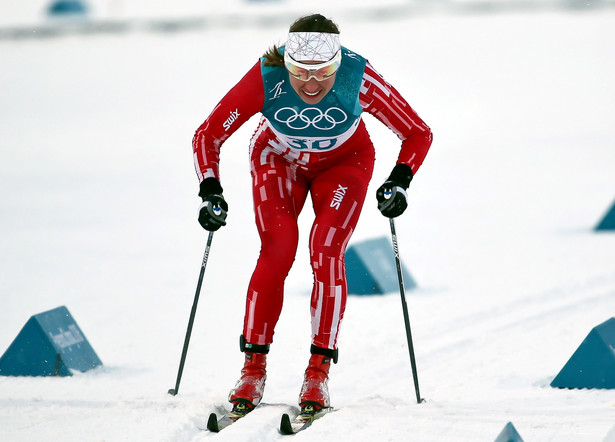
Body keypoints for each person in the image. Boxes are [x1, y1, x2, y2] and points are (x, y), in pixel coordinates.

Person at [192, 13, 432, 415]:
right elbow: (208, 133)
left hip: (346, 161)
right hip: (277, 158)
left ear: (338, 64)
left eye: (324, 73)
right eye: (301, 73)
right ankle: (253, 368)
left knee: (325, 250)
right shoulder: (268, 74)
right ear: (287, 63)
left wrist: (399, 181)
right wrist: (209, 189)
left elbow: (417, 132)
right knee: (278, 251)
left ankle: (318, 372)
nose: (312, 84)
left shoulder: (359, 77)